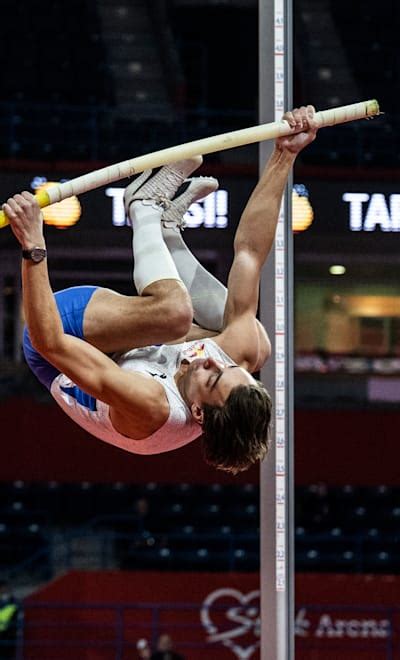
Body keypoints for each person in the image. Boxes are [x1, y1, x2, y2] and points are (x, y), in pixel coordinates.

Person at [4, 106, 318, 474]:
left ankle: (145, 209)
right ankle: (167, 229)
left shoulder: (152, 406)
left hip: (60, 338)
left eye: (213, 375)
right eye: (231, 366)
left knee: (173, 315)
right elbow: (249, 254)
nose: (213, 359)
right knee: (255, 340)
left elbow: (49, 342)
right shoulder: (229, 363)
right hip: (130, 350)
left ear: (199, 412)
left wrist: (33, 246)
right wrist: (285, 154)